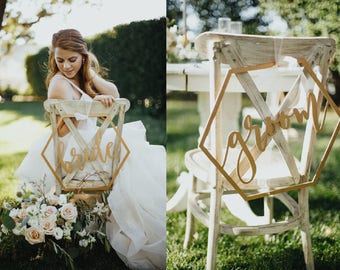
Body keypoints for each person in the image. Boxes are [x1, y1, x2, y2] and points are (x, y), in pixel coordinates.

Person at [14, 29, 166, 270]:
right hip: (73, 149)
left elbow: (115, 94)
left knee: (132, 149)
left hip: (89, 142)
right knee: (130, 150)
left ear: (83, 57)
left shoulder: (81, 77)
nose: (65, 65)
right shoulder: (58, 84)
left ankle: (140, 221)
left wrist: (91, 76)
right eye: (59, 60)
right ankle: (135, 226)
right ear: (53, 58)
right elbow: (63, 131)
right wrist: (96, 105)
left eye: (72, 59)